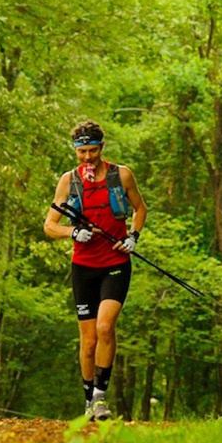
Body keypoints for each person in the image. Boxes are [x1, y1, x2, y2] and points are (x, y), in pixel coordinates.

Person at [43, 120, 147, 421]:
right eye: (81, 152)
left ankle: (101, 397)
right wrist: (72, 233)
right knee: (88, 341)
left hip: (115, 263)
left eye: (92, 150)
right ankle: (88, 397)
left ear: (102, 147)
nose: (87, 157)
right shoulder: (69, 181)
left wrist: (132, 237)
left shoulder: (121, 175)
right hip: (84, 266)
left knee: (105, 327)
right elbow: (49, 224)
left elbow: (140, 208)